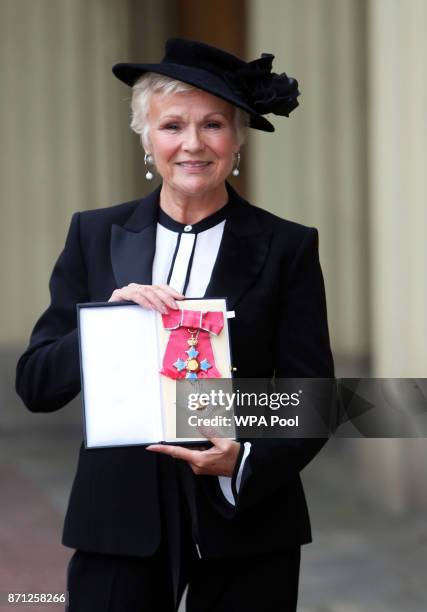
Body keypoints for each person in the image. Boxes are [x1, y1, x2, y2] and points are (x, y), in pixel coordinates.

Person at [15, 38, 334, 612]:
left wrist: (244, 459)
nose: (192, 144)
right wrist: (106, 324)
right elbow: (37, 385)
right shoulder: (94, 234)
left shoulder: (288, 245)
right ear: (146, 138)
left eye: (213, 125)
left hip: (247, 523)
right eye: (172, 126)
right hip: (117, 521)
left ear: (238, 139)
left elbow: (313, 395)